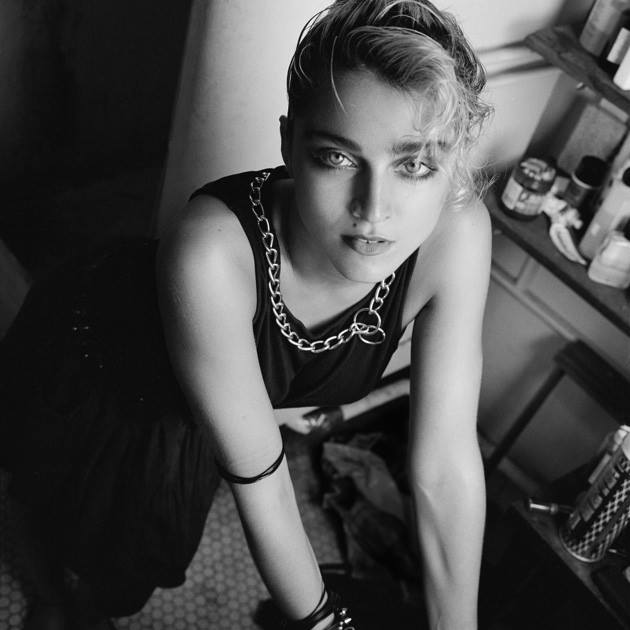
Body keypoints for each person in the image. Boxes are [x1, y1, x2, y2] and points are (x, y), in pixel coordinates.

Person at [0, 1, 493, 628]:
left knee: (131, 565)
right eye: (337, 158)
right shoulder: (208, 253)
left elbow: (445, 467)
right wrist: (326, 625)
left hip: (208, 404)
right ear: (289, 142)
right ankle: (49, 597)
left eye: (415, 165)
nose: (374, 210)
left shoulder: (458, 235)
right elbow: (265, 486)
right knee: (58, 505)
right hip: (100, 358)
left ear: (455, 161)